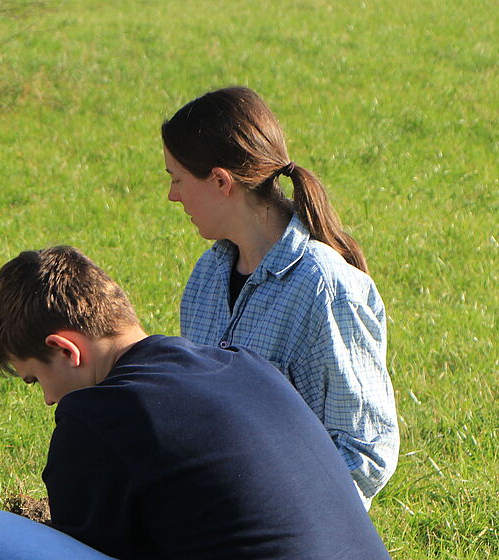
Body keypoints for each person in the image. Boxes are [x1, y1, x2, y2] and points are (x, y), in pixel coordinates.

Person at [0, 245, 391, 560]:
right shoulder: (245, 365)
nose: (49, 399)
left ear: (66, 350)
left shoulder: (96, 416)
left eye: (36, 379)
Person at [161, 86, 396, 505]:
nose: (172, 195)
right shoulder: (206, 276)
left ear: (221, 181)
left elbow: (365, 454)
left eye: (177, 179)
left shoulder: (326, 289)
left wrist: (266, 514)